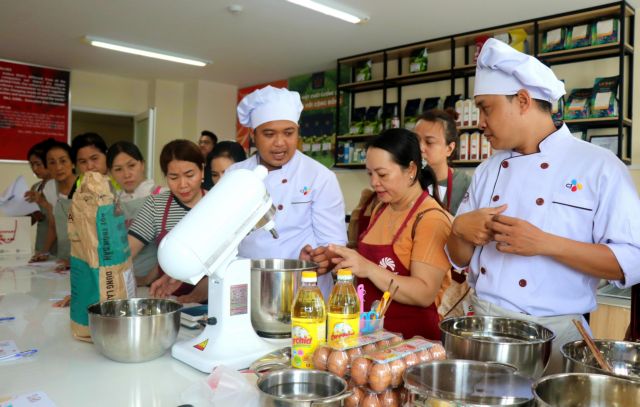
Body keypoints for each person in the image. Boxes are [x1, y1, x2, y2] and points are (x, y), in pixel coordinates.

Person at [446, 38, 640, 373]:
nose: (479, 121)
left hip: (555, 335)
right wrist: (459, 229)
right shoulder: (487, 169)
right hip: (482, 326)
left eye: (486, 107)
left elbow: (631, 261)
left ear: (522, 101)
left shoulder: (599, 166)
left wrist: (545, 244)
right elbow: (459, 258)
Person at [150, 86, 347, 300]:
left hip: (302, 293)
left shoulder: (319, 177)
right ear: (253, 136)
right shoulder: (237, 174)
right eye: (269, 134)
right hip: (247, 288)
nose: (280, 143)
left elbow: (334, 245)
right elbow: (216, 232)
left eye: (289, 133)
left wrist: (323, 258)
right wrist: (179, 272)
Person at [329, 129, 452, 340]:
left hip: (411, 340)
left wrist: (367, 268)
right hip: (373, 335)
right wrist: (342, 261)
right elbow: (366, 267)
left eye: (382, 174)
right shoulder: (381, 208)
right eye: (370, 174)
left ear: (411, 169)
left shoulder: (431, 219)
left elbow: (424, 293)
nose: (374, 182)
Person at [128, 139, 206, 303]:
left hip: (214, 300)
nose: (183, 184)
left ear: (202, 171)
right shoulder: (156, 206)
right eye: (174, 177)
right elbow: (125, 253)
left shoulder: (218, 203)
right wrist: (92, 289)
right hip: (168, 300)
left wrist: (196, 295)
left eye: (190, 175)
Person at [107, 141, 164, 281]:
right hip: (121, 280)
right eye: (118, 169)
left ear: (142, 164)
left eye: (131, 165)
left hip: (155, 282)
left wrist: (148, 279)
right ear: (110, 173)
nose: (127, 174)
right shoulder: (111, 202)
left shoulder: (162, 195)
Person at [414, 109, 472, 215]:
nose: (420, 147)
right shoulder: (408, 181)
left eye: (429, 142)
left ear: (449, 149)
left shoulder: (466, 184)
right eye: (416, 140)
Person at [24, 138, 57, 257]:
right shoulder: (36, 187)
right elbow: (37, 218)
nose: (34, 169)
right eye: (31, 164)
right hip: (41, 245)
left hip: (57, 247)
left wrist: (45, 251)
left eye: (38, 164)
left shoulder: (60, 186)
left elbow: (61, 220)